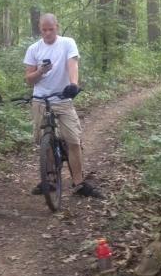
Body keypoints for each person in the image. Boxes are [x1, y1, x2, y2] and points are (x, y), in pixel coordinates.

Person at [23, 13, 102, 198]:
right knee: (45, 140)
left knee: (73, 141)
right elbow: (28, 79)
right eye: (44, 30)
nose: (48, 33)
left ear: (57, 27)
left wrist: (73, 84)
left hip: (63, 99)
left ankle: (78, 183)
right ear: (40, 29)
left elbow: (72, 64)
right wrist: (40, 71)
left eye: (51, 29)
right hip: (41, 100)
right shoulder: (33, 49)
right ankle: (49, 180)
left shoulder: (67, 43)